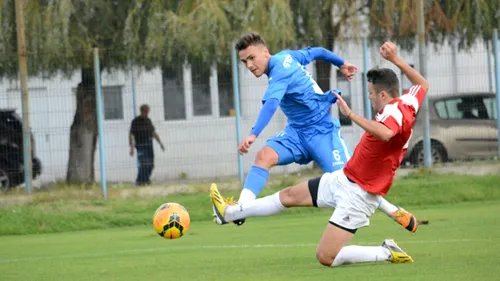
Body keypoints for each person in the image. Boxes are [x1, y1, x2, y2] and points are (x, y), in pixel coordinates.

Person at [211, 41, 429, 267]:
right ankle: (231, 213)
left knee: (326, 257)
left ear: (383, 94)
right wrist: (394, 59)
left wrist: (350, 115)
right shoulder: (409, 100)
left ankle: (385, 251)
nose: (369, 97)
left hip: (355, 193)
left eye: (371, 93)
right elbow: (423, 84)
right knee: (287, 196)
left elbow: (386, 133)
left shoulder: (394, 113)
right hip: (341, 178)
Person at [129, 104, 165, 186]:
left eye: (148, 111)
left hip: (149, 145)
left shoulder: (148, 121)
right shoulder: (135, 121)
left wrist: (160, 143)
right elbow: (131, 135)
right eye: (147, 111)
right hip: (140, 146)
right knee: (143, 164)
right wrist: (131, 147)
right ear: (143, 111)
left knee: (151, 165)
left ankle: (144, 180)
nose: (148, 112)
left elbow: (153, 133)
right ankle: (141, 181)